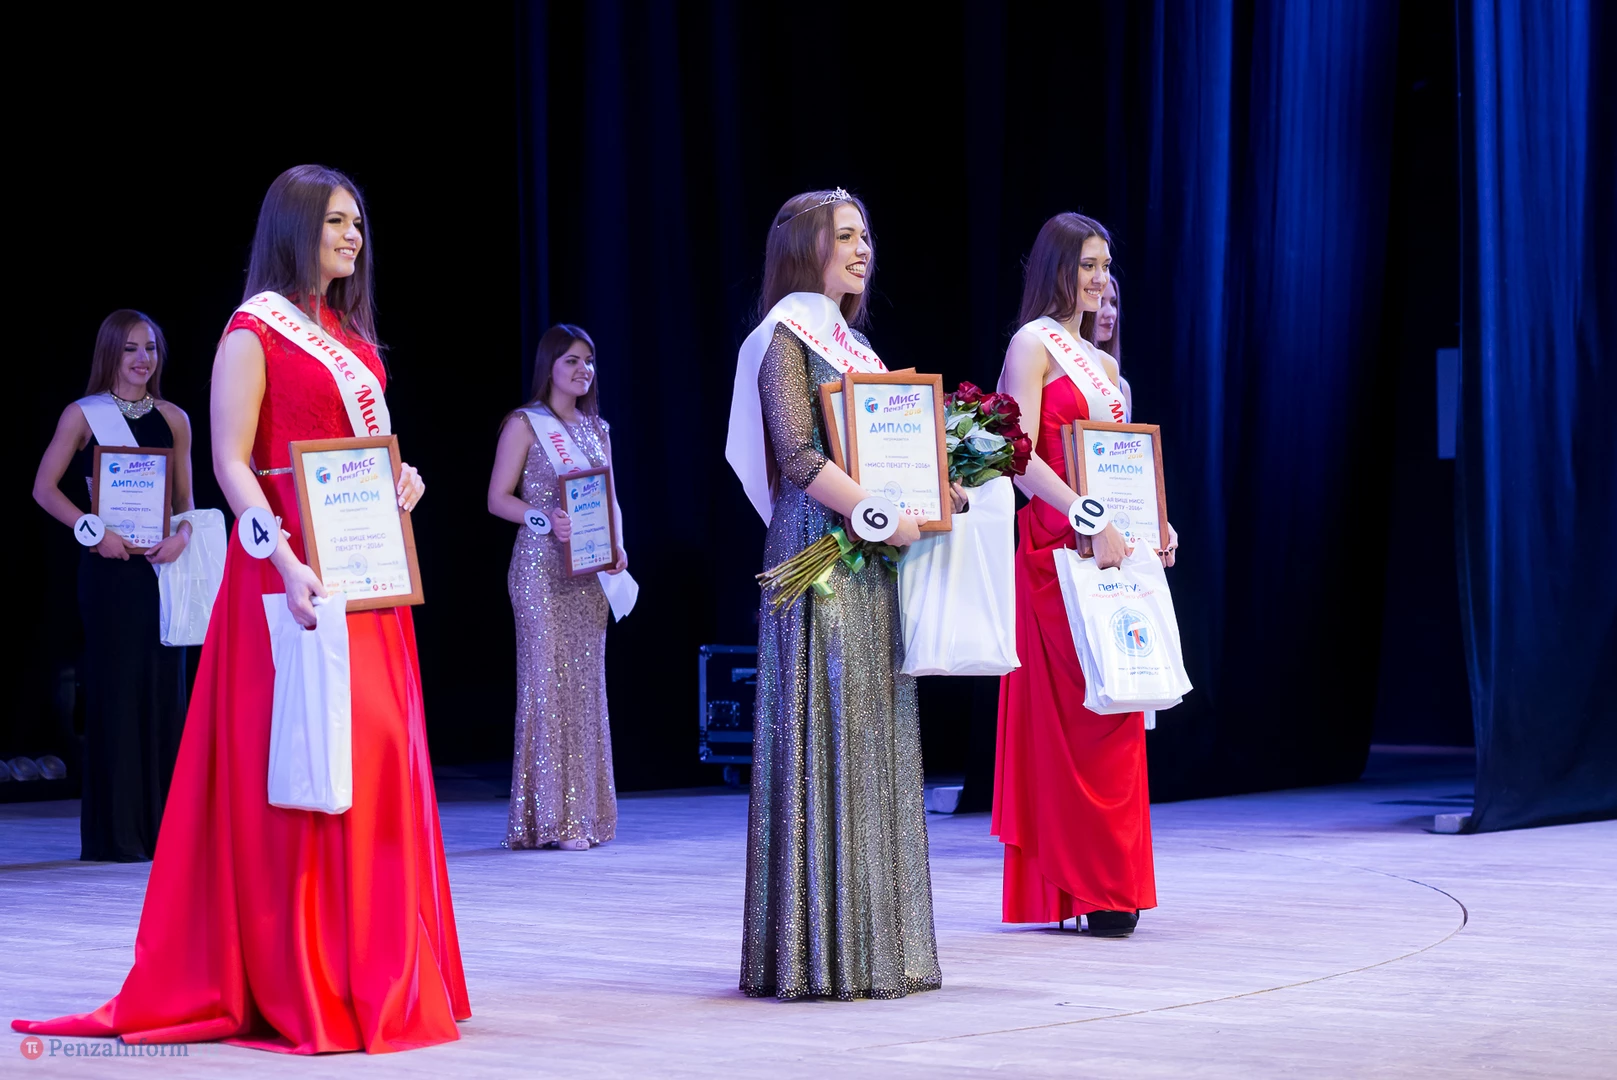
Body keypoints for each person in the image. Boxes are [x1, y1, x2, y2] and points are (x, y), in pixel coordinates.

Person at [13, 164, 471, 1053]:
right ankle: (302, 971)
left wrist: (404, 477)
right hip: (286, 568)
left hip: (364, 566)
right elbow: (230, 463)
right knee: (301, 765)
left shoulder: (349, 334)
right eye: (336, 221)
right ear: (295, 227)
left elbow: (367, 447)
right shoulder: (251, 330)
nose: (353, 236)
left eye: (358, 222)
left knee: (373, 756)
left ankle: (379, 961)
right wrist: (285, 560)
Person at [726, 188, 947, 1000]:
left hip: (871, 555)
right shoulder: (784, 334)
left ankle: (878, 949)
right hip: (818, 555)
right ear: (804, 247)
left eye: (865, 236)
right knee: (825, 733)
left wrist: (939, 492)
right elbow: (794, 454)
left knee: (872, 735)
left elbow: (889, 454)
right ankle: (817, 953)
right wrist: (881, 512)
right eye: (844, 236)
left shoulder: (858, 347)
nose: (862, 250)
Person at [992, 213, 1177, 938]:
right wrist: (1085, 513)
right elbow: (1015, 453)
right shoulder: (1033, 344)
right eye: (1087, 265)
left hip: (1106, 552)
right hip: (1055, 549)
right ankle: (1081, 882)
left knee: (1117, 710)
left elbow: (1122, 463)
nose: (1100, 279)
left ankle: (1115, 882)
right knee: (1074, 721)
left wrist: (1155, 523)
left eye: (1105, 265)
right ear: (1057, 269)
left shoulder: (1106, 370)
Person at [31, 310, 194, 861]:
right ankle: (118, 836)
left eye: (150, 348)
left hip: (160, 574)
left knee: (164, 692)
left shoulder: (174, 419)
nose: (143, 359)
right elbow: (44, 489)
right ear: (110, 353)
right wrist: (93, 530)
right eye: (130, 349)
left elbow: (185, 503)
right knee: (117, 693)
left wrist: (183, 535)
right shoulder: (84, 414)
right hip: (108, 575)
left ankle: (165, 835)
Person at [488, 323, 627, 851]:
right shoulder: (525, 423)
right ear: (549, 366)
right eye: (571, 360)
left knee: (585, 690)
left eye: (588, 360)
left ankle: (585, 816)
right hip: (540, 572)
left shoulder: (598, 429)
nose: (582, 369)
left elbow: (610, 499)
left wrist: (618, 546)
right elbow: (498, 498)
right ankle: (549, 820)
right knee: (546, 687)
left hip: (587, 574)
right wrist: (545, 519)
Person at [1081, 277, 1131, 420]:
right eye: (1100, 302)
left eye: (1113, 303)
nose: (1111, 313)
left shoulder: (1123, 387)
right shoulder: (1063, 378)